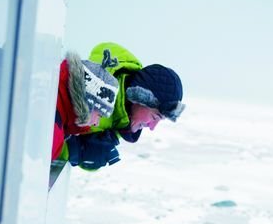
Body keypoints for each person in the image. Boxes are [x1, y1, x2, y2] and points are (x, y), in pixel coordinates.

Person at [52, 42, 185, 170]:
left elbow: (77, 156)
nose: (152, 127)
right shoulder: (96, 89)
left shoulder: (124, 121)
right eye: (155, 117)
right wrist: (71, 149)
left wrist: (87, 153)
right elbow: (48, 145)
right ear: (139, 99)